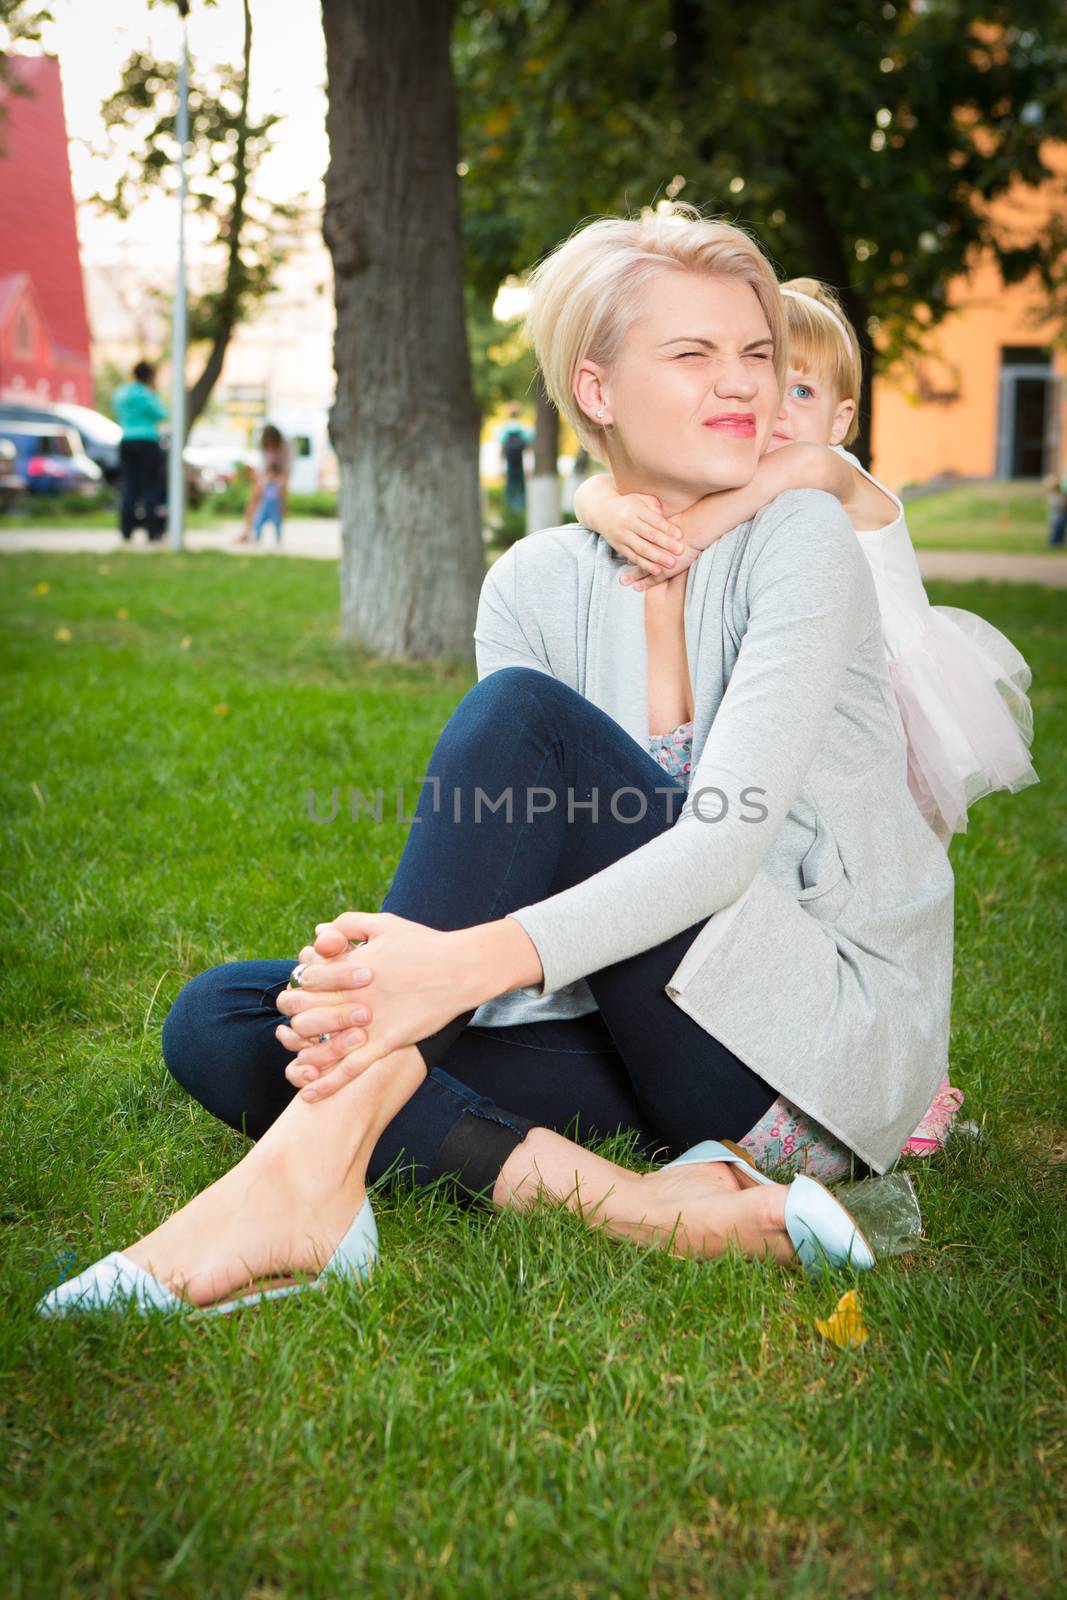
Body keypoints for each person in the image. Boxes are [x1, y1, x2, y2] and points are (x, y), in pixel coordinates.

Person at [40, 209, 955, 1318]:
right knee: (230, 1019)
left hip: (797, 1056)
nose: (744, 385)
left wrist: (455, 965)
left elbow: (719, 847)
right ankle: (655, 1211)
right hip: (626, 1038)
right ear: (597, 389)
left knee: (518, 727)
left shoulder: (798, 535)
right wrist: (407, 989)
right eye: (693, 353)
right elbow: (523, 860)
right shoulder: (532, 580)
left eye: (757, 354)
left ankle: (302, 1191)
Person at [574, 275, 1040, 1173]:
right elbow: (612, 486)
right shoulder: (757, 488)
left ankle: (917, 1075)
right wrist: (601, 502)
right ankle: (797, 1016)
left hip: (899, 722)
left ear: (842, 416)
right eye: (768, 378)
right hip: (807, 713)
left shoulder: (836, 477)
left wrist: (679, 528)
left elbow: (786, 480)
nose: (775, 409)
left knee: (900, 891)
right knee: (800, 873)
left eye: (801, 390)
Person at [113, 360, 167, 543]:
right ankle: (152, 530)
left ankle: (126, 530)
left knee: (129, 486)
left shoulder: (122, 393)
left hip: (126, 439)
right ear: (149, 376)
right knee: (150, 486)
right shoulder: (146, 394)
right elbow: (161, 413)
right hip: (147, 441)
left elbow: (117, 410)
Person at [234, 424, 290, 546]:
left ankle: (278, 530)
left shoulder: (286, 446)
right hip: (266, 473)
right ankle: (248, 531)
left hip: (280, 474)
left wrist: (280, 481)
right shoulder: (260, 444)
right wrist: (262, 479)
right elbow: (261, 465)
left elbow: (287, 469)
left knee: (280, 501)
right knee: (254, 499)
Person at [497, 402, 533, 512]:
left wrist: (500, 467)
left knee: (509, 490)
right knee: (522, 490)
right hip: (521, 465)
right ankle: (520, 511)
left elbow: (501, 451)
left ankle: (510, 511)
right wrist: (529, 466)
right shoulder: (524, 428)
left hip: (509, 465)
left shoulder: (504, 429)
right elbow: (528, 450)